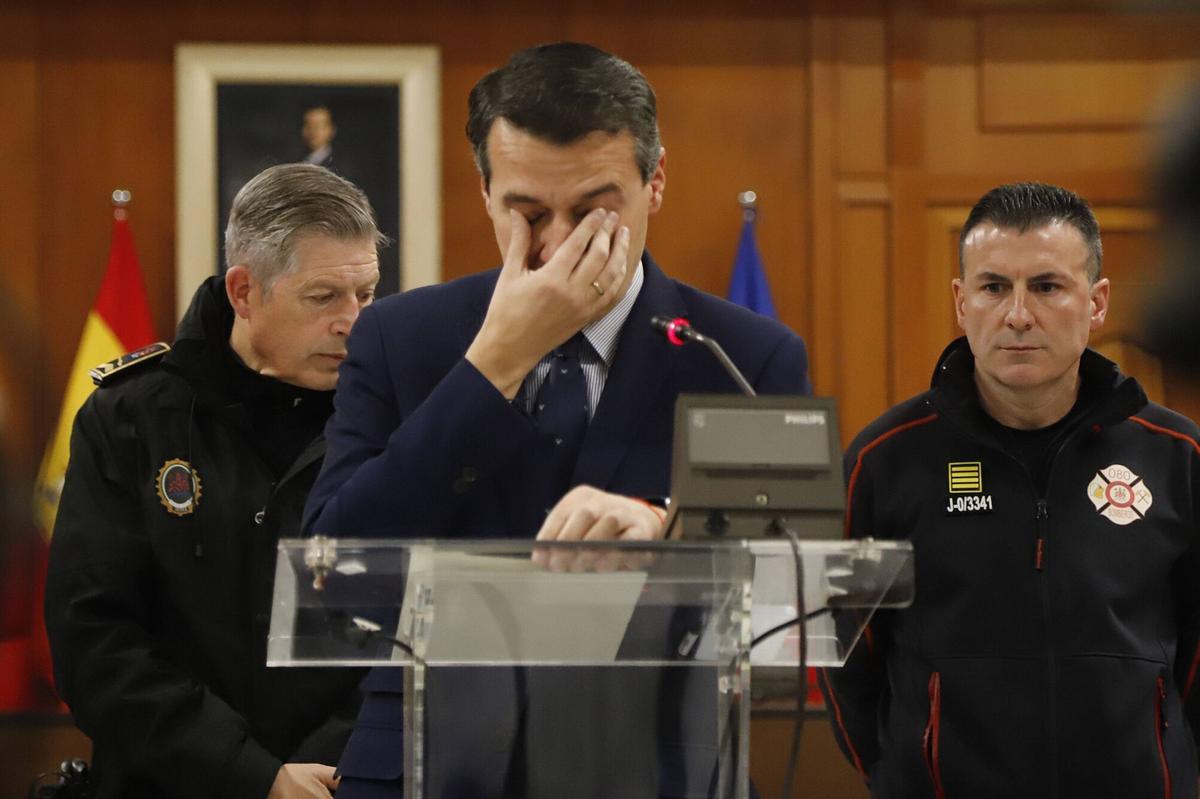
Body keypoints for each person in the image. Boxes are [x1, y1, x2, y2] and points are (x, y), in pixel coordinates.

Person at [303, 42, 811, 798]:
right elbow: (333, 568)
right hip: (434, 764)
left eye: (595, 210)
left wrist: (667, 530)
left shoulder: (743, 353)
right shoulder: (400, 337)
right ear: (485, 191)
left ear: (656, 181)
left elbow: (792, 586)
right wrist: (492, 366)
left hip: (656, 765)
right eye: (530, 213)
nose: (562, 243)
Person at [821, 182, 1200, 799]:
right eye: (994, 287)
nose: (1018, 315)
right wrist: (905, 772)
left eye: (1046, 287)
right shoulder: (883, 461)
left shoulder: (1178, 457)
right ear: (960, 300)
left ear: (1097, 302)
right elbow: (848, 657)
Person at [45, 163, 383, 799]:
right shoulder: (131, 419)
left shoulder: (394, 422)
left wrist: (334, 765)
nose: (353, 322)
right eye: (323, 297)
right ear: (244, 291)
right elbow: (96, 645)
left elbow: (419, 634)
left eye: (366, 294)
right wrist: (254, 776)